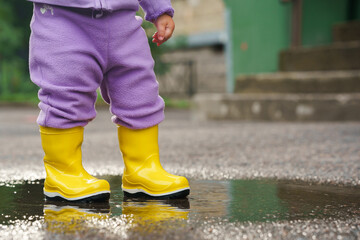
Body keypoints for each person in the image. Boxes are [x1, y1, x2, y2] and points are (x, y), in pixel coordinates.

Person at [28, 0, 190, 202]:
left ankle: (143, 168)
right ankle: (63, 171)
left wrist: (159, 9)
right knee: (66, 91)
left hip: (123, 21)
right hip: (63, 19)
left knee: (139, 90)